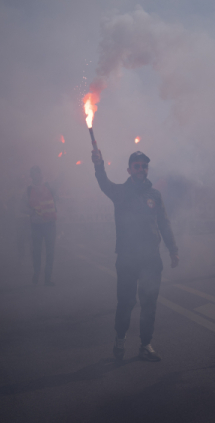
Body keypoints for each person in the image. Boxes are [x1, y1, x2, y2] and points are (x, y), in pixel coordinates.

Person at [91, 148, 179, 362]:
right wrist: (98, 164)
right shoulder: (120, 192)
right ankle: (120, 340)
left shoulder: (154, 195)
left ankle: (145, 345)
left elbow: (164, 224)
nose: (141, 169)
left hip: (151, 258)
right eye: (137, 166)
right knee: (126, 302)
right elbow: (103, 182)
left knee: (149, 303)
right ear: (129, 170)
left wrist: (173, 249)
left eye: (144, 166)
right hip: (127, 259)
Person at [25, 166, 57, 286]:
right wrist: (32, 212)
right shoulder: (28, 190)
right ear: (32, 176)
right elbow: (23, 206)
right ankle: (36, 275)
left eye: (38, 173)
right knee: (36, 252)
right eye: (34, 174)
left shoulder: (49, 186)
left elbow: (56, 197)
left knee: (50, 252)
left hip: (49, 224)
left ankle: (47, 278)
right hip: (36, 225)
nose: (37, 176)